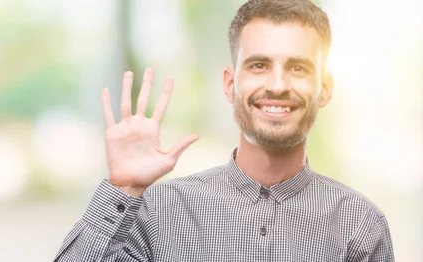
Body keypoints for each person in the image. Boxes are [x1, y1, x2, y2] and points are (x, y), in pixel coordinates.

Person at [54, 0, 394, 261]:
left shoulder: (360, 225)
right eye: (259, 65)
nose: (277, 85)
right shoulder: (159, 212)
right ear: (230, 84)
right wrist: (123, 188)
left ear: (325, 87)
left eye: (298, 67)